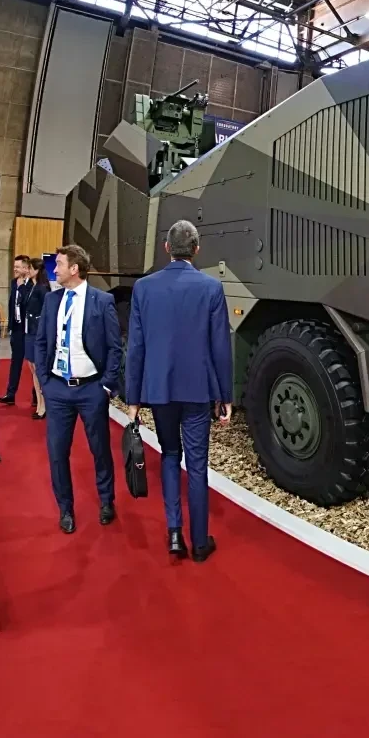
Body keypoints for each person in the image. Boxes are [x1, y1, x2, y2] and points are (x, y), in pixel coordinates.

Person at [125, 220, 232, 563]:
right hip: (198, 390)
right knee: (197, 465)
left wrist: (133, 398)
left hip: (160, 390)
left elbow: (136, 347)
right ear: (197, 249)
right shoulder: (211, 288)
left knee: (170, 455)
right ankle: (199, 542)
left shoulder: (144, 288)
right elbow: (220, 347)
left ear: (166, 248)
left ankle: (174, 533)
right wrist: (225, 396)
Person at [35, 244, 122, 534]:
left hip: (91, 390)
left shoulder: (102, 301)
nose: (54, 269)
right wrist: (45, 382)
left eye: (59, 264)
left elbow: (115, 348)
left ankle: (107, 501)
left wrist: (106, 386)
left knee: (100, 450)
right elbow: (42, 342)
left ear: (74, 269)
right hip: (58, 390)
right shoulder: (52, 300)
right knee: (57, 452)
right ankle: (65, 508)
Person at [0, 255, 36, 407]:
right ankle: (10, 394)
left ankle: (36, 396)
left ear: (26, 268)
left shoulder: (32, 285)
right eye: (14, 266)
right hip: (17, 329)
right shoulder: (14, 283)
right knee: (15, 363)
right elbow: (12, 304)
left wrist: (22, 287)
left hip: (30, 329)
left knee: (33, 364)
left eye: (18, 267)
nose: (15, 269)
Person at [24, 258, 49, 421]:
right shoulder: (31, 286)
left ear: (37, 270)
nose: (27, 271)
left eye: (30, 268)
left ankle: (44, 405)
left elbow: (46, 312)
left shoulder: (42, 289)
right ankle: (39, 403)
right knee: (32, 368)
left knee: (38, 369)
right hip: (29, 331)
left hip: (37, 333)